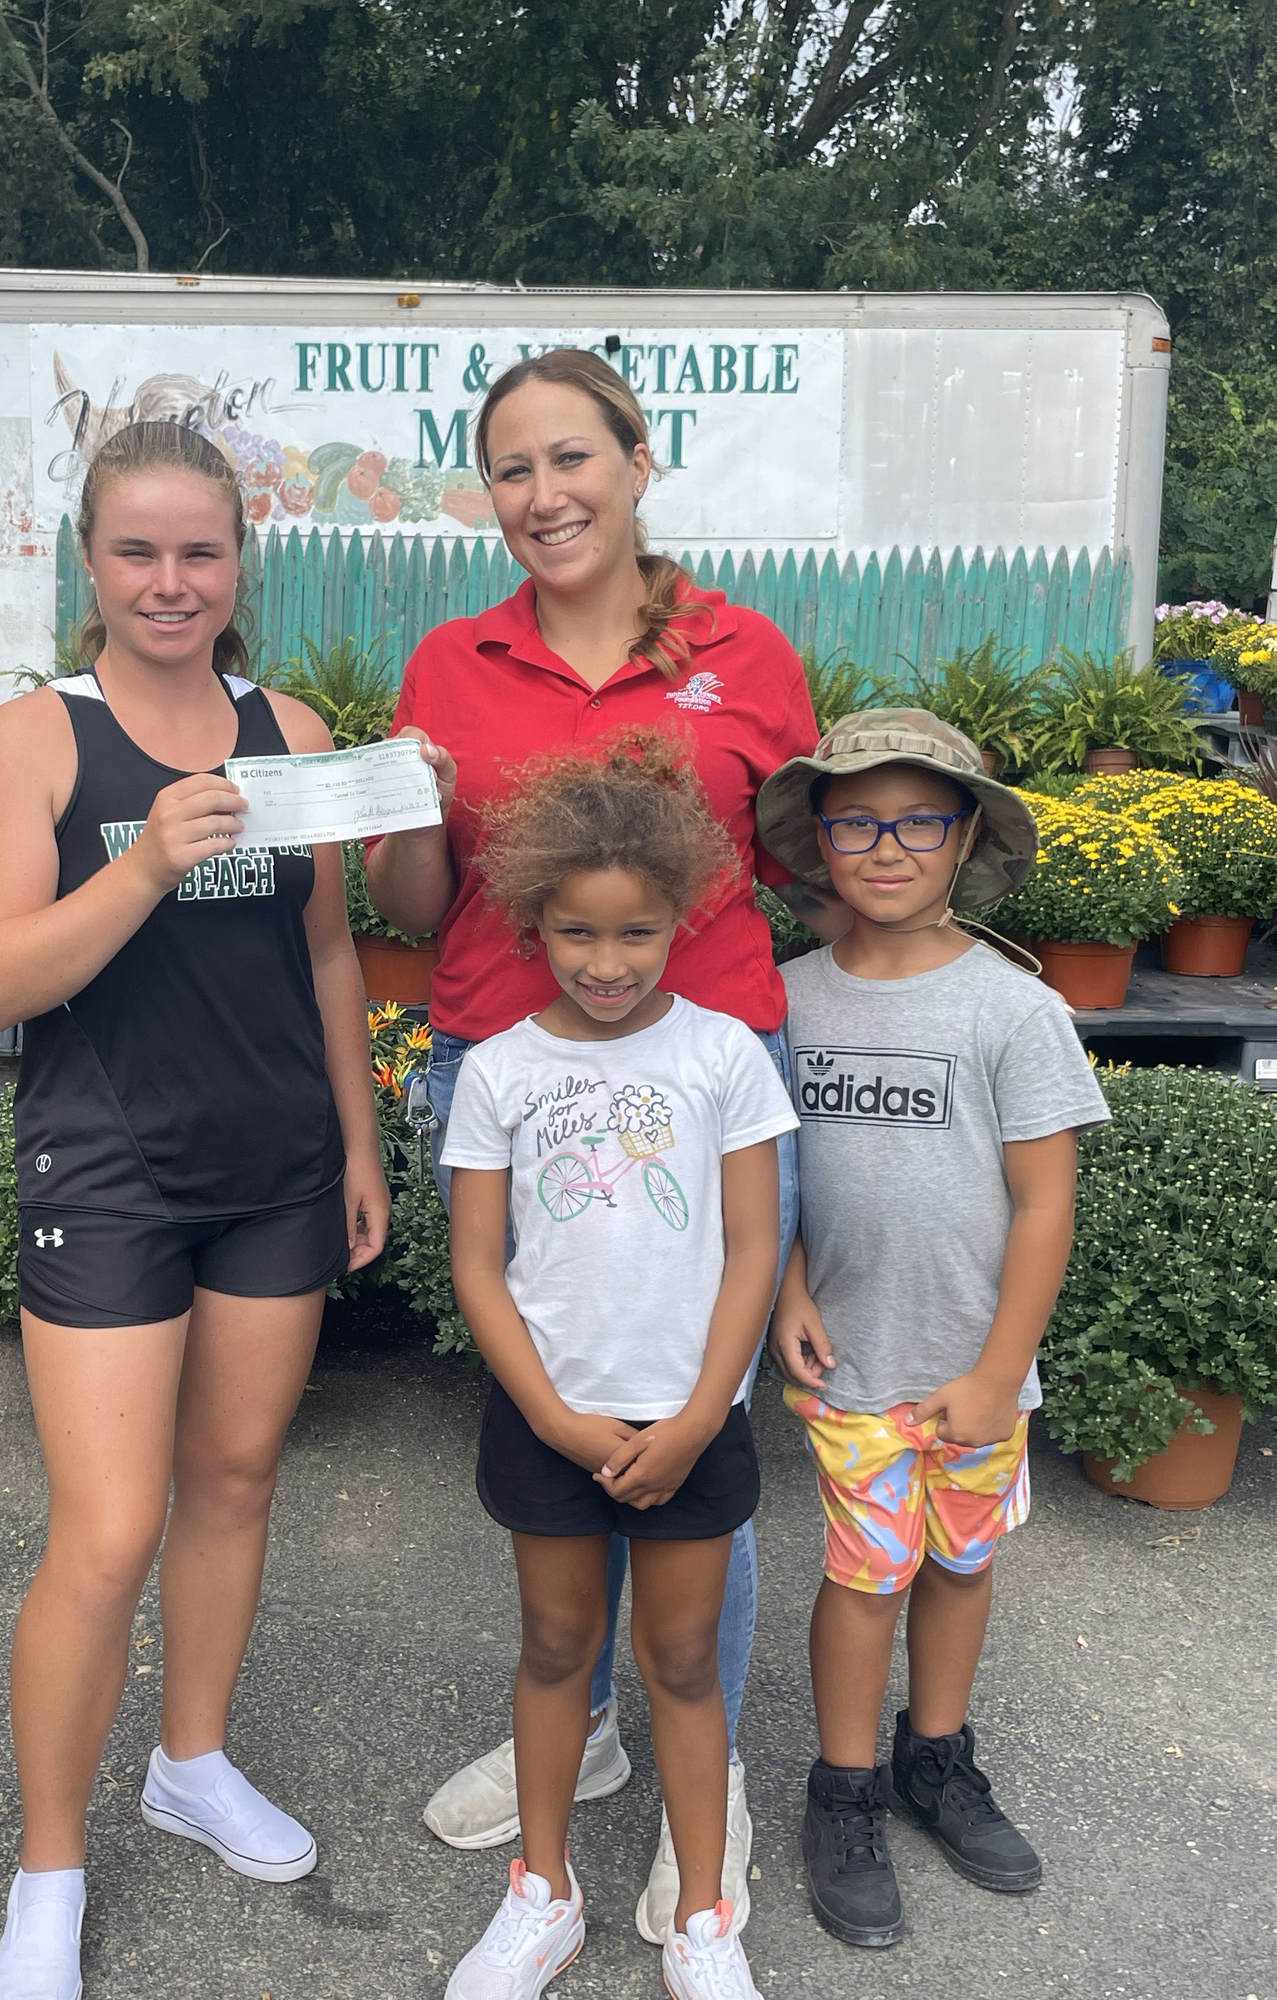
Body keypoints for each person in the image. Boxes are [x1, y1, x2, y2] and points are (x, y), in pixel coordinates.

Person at [366, 345, 830, 1936]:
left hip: (712, 1076)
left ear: (638, 463)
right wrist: (404, 820)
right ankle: (593, 1724)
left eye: (575, 457)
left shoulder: (745, 655)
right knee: (563, 1369)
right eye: (513, 470)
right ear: (486, 495)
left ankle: (712, 1760)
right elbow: (412, 909)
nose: (546, 494)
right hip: (505, 1065)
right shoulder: (452, 662)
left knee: (702, 1403)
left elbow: (801, 875)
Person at [0, 421, 390, 2000]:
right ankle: (48, 1872)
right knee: (109, 1528)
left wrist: (359, 1142)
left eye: (199, 552)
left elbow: (329, 951)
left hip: (276, 1162)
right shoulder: (36, 738)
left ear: (238, 562)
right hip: (112, 1169)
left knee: (232, 1482)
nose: (170, 581)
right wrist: (141, 865)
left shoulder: (291, 727)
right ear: (90, 561)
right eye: (138, 552)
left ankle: (189, 1762)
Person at [440, 733, 796, 2000]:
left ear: (679, 920)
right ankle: (543, 1894)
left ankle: (704, 1914)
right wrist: (556, 1416)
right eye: (579, 934)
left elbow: (756, 1245)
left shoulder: (722, 1056)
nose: (607, 962)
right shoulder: (498, 1071)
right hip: (553, 1418)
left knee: (686, 1660)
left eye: (637, 934)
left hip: (692, 1417)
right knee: (552, 1642)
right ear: (535, 920)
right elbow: (479, 1264)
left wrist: (704, 1413)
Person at [758, 710, 1110, 1949]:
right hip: (852, 1360)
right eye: (855, 821)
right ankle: (843, 1789)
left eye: (918, 819)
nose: (886, 845)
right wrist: (787, 1287)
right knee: (864, 1577)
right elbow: (771, 1175)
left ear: (964, 838)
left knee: (961, 1563)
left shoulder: (1014, 1008)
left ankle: (937, 1757)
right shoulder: (784, 999)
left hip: (978, 1370)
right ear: (819, 838)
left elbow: (1045, 1195)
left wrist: (1002, 1367)